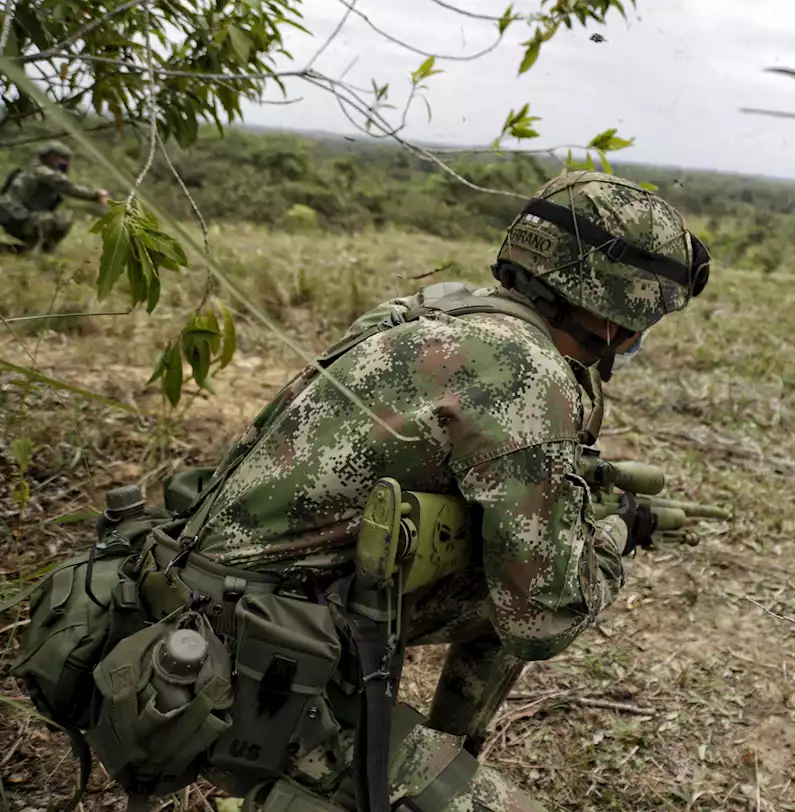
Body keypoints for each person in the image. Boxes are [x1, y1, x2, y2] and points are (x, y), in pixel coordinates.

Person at [162, 169, 710, 801]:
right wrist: (614, 536)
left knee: (501, 569)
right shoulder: (528, 375)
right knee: (539, 582)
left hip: (197, 600)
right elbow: (543, 621)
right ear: (622, 311)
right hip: (247, 668)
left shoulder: (433, 312)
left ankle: (443, 754)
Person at [0, 142, 109, 254]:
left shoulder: (30, 170)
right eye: (62, 159)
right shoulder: (44, 172)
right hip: (18, 219)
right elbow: (68, 186)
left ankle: (23, 249)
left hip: (13, 216)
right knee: (63, 219)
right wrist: (95, 194)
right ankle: (39, 251)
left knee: (49, 218)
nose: (64, 163)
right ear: (51, 157)